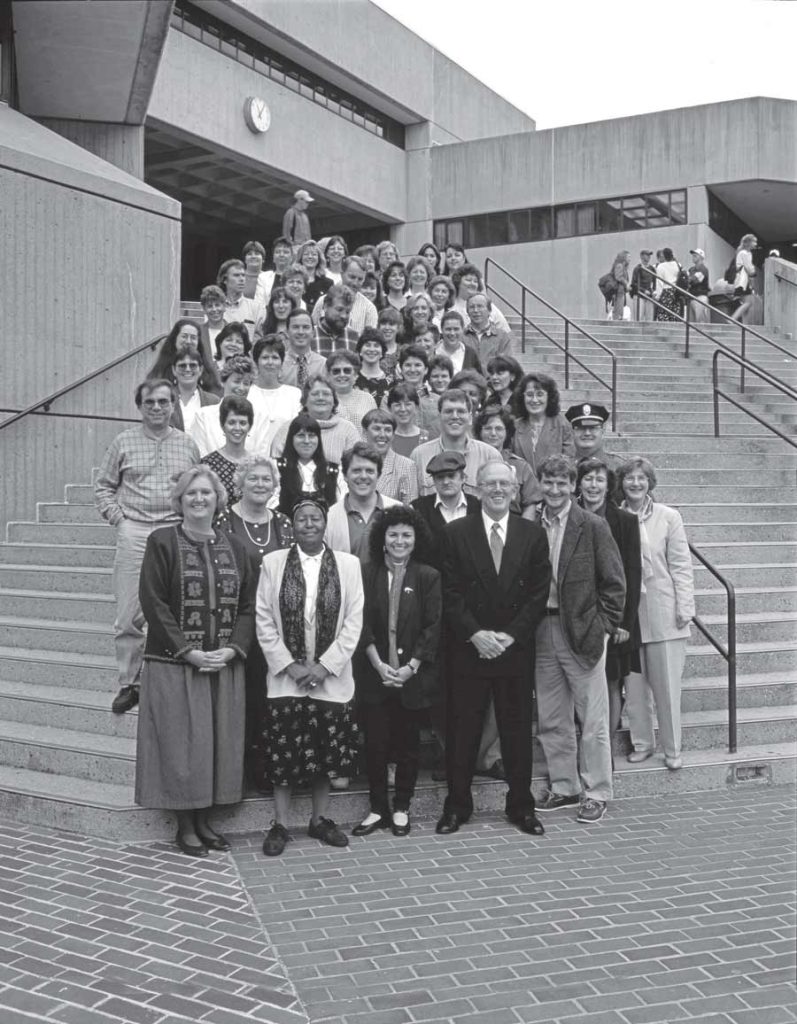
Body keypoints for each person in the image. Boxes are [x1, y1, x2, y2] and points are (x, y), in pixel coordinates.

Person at [135, 466, 254, 856]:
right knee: (182, 745)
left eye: (206, 493)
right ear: (180, 501)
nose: (199, 499)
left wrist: (234, 648)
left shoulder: (236, 547)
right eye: (191, 494)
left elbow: (248, 608)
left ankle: (205, 821)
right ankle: (185, 825)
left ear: (218, 499)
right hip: (175, 665)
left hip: (222, 663)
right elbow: (153, 602)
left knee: (215, 745)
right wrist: (187, 651)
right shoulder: (162, 541)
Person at [436, 461, 551, 837]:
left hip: (513, 649)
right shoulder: (456, 533)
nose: (498, 490)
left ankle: (521, 805)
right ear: (477, 488)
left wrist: (511, 635)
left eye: (504, 483)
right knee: (463, 730)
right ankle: (457, 806)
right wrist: (476, 634)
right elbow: (449, 592)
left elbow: (537, 594)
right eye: (490, 484)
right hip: (469, 649)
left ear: (516, 489)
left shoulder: (532, 534)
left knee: (517, 731)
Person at [256, 497, 364, 856]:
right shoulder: (272, 563)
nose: (308, 524)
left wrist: (323, 666)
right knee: (284, 754)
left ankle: (320, 820)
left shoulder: (348, 565)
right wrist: (291, 665)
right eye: (301, 518)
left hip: (330, 679)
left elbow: (353, 622)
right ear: (293, 525)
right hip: (286, 678)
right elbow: (264, 620)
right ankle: (281, 824)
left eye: (315, 518)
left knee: (324, 752)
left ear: (325, 524)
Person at [95, 380, 201, 714]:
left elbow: (195, 489)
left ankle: (169, 678)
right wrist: (120, 521)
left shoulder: (187, 444)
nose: (157, 408)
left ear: (173, 405)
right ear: (139, 406)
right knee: (129, 614)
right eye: (150, 402)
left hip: (174, 531)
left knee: (174, 609)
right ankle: (130, 684)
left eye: (163, 402)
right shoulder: (123, 442)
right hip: (135, 531)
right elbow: (103, 487)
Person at [534, 455, 626, 825]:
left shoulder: (592, 525)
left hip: (583, 631)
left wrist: (603, 625)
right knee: (552, 716)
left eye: (562, 484)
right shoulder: (530, 524)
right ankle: (565, 785)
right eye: (548, 482)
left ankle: (597, 790)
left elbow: (615, 582)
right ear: (540, 483)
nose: (555, 490)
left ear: (573, 486)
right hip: (542, 629)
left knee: (592, 718)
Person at [353, 506, 441, 837]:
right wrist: (378, 664)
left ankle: (402, 807)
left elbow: (433, 627)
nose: (399, 541)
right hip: (374, 674)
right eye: (393, 534)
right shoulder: (366, 572)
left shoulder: (428, 576)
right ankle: (378, 809)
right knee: (374, 744)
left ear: (416, 539)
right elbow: (360, 623)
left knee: (408, 744)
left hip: (411, 678)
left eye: (406, 535)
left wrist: (410, 668)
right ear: (382, 538)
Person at [218, 454, 293, 788]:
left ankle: (269, 769)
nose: (260, 484)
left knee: (270, 696)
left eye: (266, 479)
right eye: (253, 478)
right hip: (238, 622)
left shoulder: (284, 523)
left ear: (274, 485)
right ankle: (238, 772)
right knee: (241, 696)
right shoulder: (223, 521)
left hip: (277, 625)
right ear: (240, 483)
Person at [619, 458, 695, 770]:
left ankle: (672, 748)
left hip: (664, 610)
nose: (635, 483)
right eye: (629, 478)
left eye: (641, 478)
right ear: (621, 483)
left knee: (666, 686)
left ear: (651, 482)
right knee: (634, 687)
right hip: (629, 614)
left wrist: (685, 607)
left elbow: (680, 564)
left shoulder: (668, 517)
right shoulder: (616, 516)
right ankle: (642, 743)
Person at [576, 456, 641, 737]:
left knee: (611, 682)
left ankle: (608, 745)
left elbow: (632, 573)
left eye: (599, 479)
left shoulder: (624, 521)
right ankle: (584, 742)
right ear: (578, 483)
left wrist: (623, 622)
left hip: (612, 618)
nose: (593, 485)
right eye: (588, 478)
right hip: (577, 617)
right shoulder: (566, 513)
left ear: (608, 485)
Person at [412, 388, 500, 496]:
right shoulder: (419, 455)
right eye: (449, 411)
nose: (455, 416)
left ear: (470, 418)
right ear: (439, 417)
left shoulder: (490, 456)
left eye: (461, 411)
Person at [324, 441, 401, 559]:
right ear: (345, 475)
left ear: (378, 475)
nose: (363, 476)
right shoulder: (329, 518)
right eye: (357, 471)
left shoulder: (400, 511)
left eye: (370, 471)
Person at [411, 452, 480, 570]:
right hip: (432, 582)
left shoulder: (478, 507)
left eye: (451, 476)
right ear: (433, 480)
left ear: (463, 478)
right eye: (440, 477)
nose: (446, 482)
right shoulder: (417, 509)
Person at [271, 374, 359, 465]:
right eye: (315, 394)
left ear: (334, 401)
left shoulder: (348, 430)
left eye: (326, 394)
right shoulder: (288, 428)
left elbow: (356, 466)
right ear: (305, 401)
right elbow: (275, 468)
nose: (320, 398)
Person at [474, 406, 538, 518]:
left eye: (499, 429)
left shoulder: (521, 467)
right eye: (488, 428)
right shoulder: (471, 461)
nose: (493, 433)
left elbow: (530, 506)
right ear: (479, 432)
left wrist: (524, 532)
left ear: (507, 432)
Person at [510, 372, 575, 482]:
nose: (534, 400)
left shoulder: (562, 425)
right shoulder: (515, 427)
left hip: (553, 488)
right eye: (530, 395)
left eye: (540, 394)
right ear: (523, 397)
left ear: (549, 397)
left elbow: (569, 462)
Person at [275, 411, 342, 515]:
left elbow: (339, 508)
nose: (306, 441)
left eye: (311, 436)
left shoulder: (333, 471)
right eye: (301, 435)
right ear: (291, 439)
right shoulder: (279, 468)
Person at [246, 336, 302, 454]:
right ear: (256, 362)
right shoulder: (247, 393)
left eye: (275, 357)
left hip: (286, 459)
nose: (270, 362)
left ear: (281, 363)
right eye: (265, 357)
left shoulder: (294, 394)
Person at [191, 354, 255, 457]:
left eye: (246, 383)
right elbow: (200, 455)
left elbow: (260, 458)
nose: (241, 388)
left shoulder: (260, 417)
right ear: (223, 382)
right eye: (237, 381)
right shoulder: (203, 416)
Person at [200, 395, 255, 505]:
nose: (237, 428)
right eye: (232, 422)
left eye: (243, 423)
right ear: (222, 425)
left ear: (250, 426)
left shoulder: (257, 463)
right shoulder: (208, 464)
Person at [149, 319, 221, 397]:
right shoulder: (160, 371)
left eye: (193, 337)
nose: (188, 341)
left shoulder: (208, 372)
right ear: (175, 339)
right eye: (184, 336)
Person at [362, 408, 418, 503]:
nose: (382, 435)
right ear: (364, 432)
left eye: (388, 430)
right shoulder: (353, 463)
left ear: (393, 435)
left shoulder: (406, 466)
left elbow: (410, 511)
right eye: (377, 429)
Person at [312, 256, 378, 336]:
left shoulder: (369, 309)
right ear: (342, 273)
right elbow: (312, 330)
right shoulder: (323, 301)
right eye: (352, 277)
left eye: (360, 279)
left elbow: (370, 340)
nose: (355, 283)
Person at [169, 343, 221, 434]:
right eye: (182, 366)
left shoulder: (214, 402)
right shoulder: (164, 400)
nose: (188, 369)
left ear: (200, 370)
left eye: (192, 365)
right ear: (174, 370)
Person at [450, 264, 511, 332]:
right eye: (468, 280)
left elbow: (506, 331)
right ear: (458, 282)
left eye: (475, 281)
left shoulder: (488, 306)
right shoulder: (450, 306)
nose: (472, 284)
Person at [325, 350, 376, 427]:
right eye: (336, 371)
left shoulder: (367, 399)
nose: (342, 375)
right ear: (328, 376)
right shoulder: (323, 399)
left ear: (355, 374)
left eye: (347, 370)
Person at [564, 402, 620, 468]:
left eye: (593, 428)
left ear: (603, 431)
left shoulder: (618, 466)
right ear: (572, 431)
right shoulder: (563, 467)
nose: (587, 433)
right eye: (581, 428)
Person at [280, 309, 326, 388]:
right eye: (295, 327)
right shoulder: (278, 364)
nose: (301, 332)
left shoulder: (323, 365)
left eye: (306, 327)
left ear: (313, 333)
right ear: (287, 332)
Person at [218, 258, 264, 337]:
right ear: (225, 280)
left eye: (243, 275)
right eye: (236, 275)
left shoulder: (256, 308)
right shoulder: (215, 308)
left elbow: (262, 338)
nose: (242, 279)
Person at [464, 294, 514, 364]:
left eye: (480, 306)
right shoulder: (461, 336)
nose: (475, 310)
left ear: (489, 311)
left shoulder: (502, 337)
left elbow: (506, 364)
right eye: (472, 307)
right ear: (467, 312)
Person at [386, 382, 429, 457]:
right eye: (397, 405)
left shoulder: (427, 438)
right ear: (389, 409)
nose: (403, 409)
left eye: (407, 404)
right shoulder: (385, 438)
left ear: (416, 407)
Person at [313, 284, 357, 355]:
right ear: (326, 306)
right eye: (339, 310)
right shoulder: (309, 336)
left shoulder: (354, 338)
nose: (344, 316)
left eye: (347, 312)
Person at [355, 328, 395, 406]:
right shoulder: (352, 379)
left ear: (382, 352)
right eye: (367, 345)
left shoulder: (391, 382)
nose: (372, 349)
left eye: (376, 345)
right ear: (360, 351)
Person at [198, 286, 228, 369]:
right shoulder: (198, 332)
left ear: (224, 306)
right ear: (204, 309)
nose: (214, 309)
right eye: (210, 306)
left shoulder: (233, 331)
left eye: (217, 305)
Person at [297, 240, 334, 309]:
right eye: (306, 254)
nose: (310, 257)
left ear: (319, 259)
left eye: (314, 254)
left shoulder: (328, 283)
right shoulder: (294, 281)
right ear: (300, 258)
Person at [731, 233, 758, 323]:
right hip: (743, 281)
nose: (755, 244)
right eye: (754, 242)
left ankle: (743, 323)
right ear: (748, 243)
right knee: (748, 302)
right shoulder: (744, 253)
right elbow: (748, 268)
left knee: (747, 303)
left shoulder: (745, 253)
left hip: (742, 281)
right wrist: (754, 272)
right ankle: (733, 318)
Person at [259, 237, 295, 303]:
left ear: (292, 258)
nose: (281, 255)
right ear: (273, 257)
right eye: (278, 252)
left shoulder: (297, 278)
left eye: (286, 252)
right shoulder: (263, 278)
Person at [653, 248, 683, 322]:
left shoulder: (660, 267)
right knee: (675, 314)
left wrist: (657, 296)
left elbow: (659, 283)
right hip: (676, 292)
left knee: (664, 314)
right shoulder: (678, 265)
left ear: (665, 256)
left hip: (666, 292)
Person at [629, 250, 656, 321]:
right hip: (639, 295)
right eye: (647, 255)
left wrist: (653, 291)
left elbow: (655, 281)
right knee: (639, 317)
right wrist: (643, 291)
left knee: (649, 318)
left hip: (649, 295)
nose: (649, 257)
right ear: (641, 256)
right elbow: (634, 283)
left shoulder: (652, 269)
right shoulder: (637, 268)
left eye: (649, 255)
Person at [687, 248, 711, 324]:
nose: (693, 257)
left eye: (695, 255)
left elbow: (694, 280)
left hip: (700, 297)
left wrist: (687, 279)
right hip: (692, 297)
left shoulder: (703, 269)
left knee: (701, 323)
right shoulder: (691, 269)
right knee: (691, 323)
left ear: (701, 257)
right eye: (693, 255)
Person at [607, 251, 631, 322]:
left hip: (621, 290)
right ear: (624, 257)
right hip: (618, 290)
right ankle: (616, 320)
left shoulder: (623, 266)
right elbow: (618, 277)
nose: (630, 259)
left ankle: (618, 319)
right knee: (618, 307)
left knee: (620, 307)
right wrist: (626, 283)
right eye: (628, 257)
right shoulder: (619, 266)